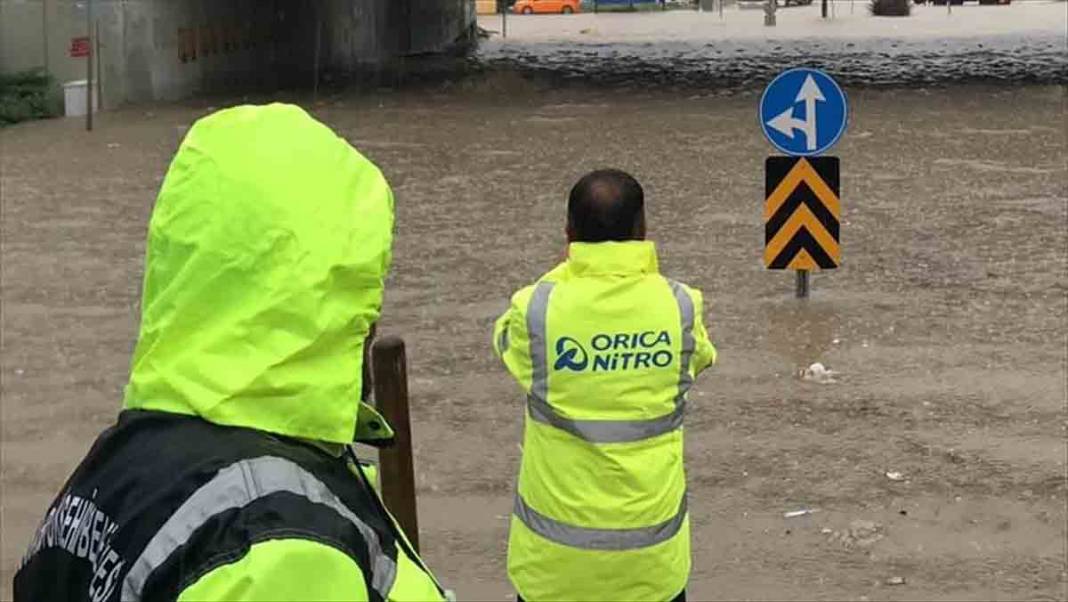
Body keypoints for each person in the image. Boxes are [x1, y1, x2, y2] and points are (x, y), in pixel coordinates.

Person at [14, 104, 448, 602]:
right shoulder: (277, 548)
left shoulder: (116, 469)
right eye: (363, 291)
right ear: (323, 304)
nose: (372, 319)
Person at [492, 169, 718, 602]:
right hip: (651, 566)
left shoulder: (536, 309)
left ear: (569, 235)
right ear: (643, 231)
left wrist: (574, 271)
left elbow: (504, 340)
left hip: (553, 569)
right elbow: (701, 358)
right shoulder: (680, 307)